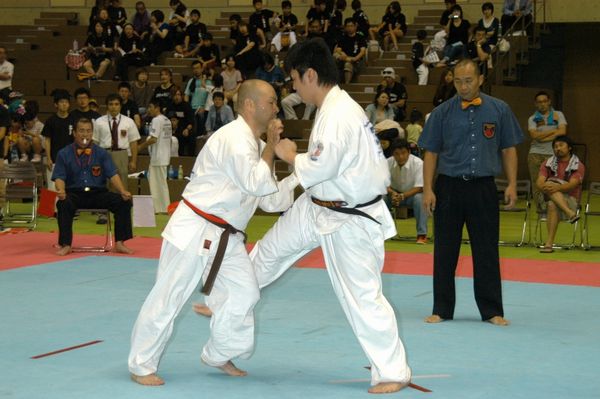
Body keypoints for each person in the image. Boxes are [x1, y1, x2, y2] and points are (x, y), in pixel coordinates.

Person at [248, 38, 412, 394]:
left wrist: (290, 155)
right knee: (270, 248)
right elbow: (328, 164)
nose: (292, 86)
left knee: (361, 296)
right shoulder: (333, 107)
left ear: (310, 74)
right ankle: (227, 299)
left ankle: (392, 371)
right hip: (319, 204)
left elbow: (323, 165)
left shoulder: (339, 113)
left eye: (294, 78)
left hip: (349, 217)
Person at [128, 79, 297, 385]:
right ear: (249, 105)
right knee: (168, 298)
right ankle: (141, 365)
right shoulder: (232, 138)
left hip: (226, 236)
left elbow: (271, 199)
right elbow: (256, 182)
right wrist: (273, 148)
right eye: (271, 101)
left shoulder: (257, 146)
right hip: (195, 228)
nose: (276, 107)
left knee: (245, 292)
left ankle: (219, 353)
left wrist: (299, 172)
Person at [418, 59, 524, 326]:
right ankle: (441, 308)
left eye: (468, 81)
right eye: (457, 81)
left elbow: (509, 148)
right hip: (449, 187)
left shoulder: (499, 110)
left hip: (484, 188)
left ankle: (492, 311)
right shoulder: (441, 113)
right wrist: (428, 188)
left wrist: (511, 183)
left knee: (486, 250)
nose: (463, 86)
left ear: (480, 79)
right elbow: (430, 152)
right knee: (444, 250)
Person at [52, 118, 133, 256]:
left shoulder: (101, 153)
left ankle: (120, 242)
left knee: (123, 201)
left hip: (98, 193)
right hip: (74, 194)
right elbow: (59, 176)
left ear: (92, 133)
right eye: (81, 131)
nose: (85, 134)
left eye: (88, 131)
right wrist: (61, 190)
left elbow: (112, 174)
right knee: (63, 203)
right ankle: (66, 244)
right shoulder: (64, 153)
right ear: (75, 133)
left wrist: (122, 190)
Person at [536, 136, 584, 253]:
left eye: (561, 145)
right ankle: (570, 214)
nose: (558, 148)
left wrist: (555, 186)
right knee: (549, 185)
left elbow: (572, 185)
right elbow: (539, 182)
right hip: (547, 199)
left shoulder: (578, 165)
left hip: (571, 199)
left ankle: (549, 244)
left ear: (570, 148)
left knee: (552, 203)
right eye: (555, 147)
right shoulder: (547, 163)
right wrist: (547, 185)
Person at [527, 91, 567, 213]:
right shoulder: (533, 118)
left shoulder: (558, 115)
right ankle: (541, 208)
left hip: (553, 154)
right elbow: (534, 135)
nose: (542, 104)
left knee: (554, 181)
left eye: (545, 101)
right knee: (536, 183)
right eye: (539, 102)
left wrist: (542, 135)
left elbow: (562, 132)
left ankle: (554, 206)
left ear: (549, 102)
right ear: (535, 104)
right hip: (535, 154)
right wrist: (554, 132)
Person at [93, 94, 140, 186]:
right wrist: (95, 160)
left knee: (122, 182)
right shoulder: (99, 121)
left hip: (121, 154)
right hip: (104, 153)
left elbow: (133, 142)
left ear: (120, 106)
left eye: (116, 104)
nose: (113, 107)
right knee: (104, 182)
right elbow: (95, 142)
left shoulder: (129, 121)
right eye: (111, 104)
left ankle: (121, 200)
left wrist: (133, 161)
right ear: (107, 106)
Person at [387, 138, 428, 244]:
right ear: (393, 154)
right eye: (396, 154)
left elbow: (419, 187)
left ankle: (421, 234)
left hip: (412, 196)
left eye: (403, 153)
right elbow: (382, 184)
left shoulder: (418, 163)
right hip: (394, 195)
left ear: (409, 152)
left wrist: (402, 196)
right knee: (380, 198)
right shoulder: (387, 162)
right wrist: (393, 193)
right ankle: (383, 232)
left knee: (420, 198)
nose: (400, 157)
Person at [137, 98, 171, 214]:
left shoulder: (156, 120)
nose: (149, 110)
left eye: (151, 107)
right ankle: (163, 207)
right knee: (161, 183)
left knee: (157, 183)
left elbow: (153, 139)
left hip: (158, 156)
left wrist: (140, 146)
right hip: (164, 155)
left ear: (157, 108)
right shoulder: (167, 120)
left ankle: (159, 208)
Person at [42, 90, 74, 191]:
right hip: (55, 158)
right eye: (61, 102)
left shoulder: (74, 120)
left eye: (66, 102)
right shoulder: (51, 121)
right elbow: (47, 140)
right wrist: (48, 158)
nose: (64, 104)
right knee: (52, 187)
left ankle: (67, 207)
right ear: (56, 104)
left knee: (69, 187)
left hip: (71, 159)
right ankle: (51, 207)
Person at [333, 17, 367, 84]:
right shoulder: (342, 37)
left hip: (356, 61)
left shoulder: (360, 37)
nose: (349, 28)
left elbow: (363, 51)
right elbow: (338, 49)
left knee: (348, 64)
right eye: (348, 26)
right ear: (345, 27)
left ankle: (347, 85)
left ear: (355, 27)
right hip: (345, 58)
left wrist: (354, 59)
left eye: (351, 26)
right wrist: (342, 53)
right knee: (335, 55)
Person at [168, 85, 195, 156]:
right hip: (172, 129)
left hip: (184, 129)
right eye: (175, 95)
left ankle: (189, 158)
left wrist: (187, 129)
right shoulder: (170, 106)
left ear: (181, 96)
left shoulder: (186, 106)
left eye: (178, 95)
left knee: (191, 137)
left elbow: (191, 121)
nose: (177, 97)